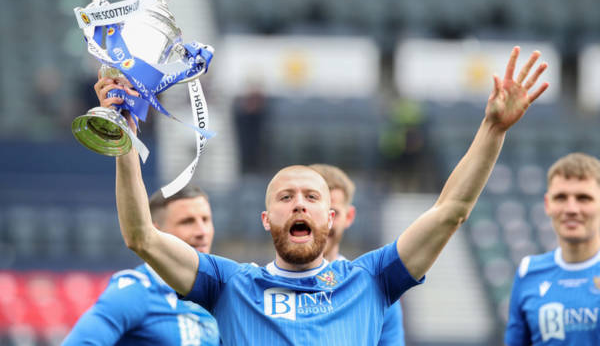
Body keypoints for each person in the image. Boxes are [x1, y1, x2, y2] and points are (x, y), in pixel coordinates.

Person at [95, 46, 547, 345]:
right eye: (285, 196)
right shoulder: (229, 284)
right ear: (265, 219)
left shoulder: (371, 279)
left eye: (311, 197)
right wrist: (124, 138)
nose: (298, 203)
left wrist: (491, 129)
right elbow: (141, 236)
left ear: (332, 217)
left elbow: (451, 211)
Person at [62, 185, 220, 346]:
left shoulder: (216, 295)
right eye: (187, 222)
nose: (202, 231)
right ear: (157, 232)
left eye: (206, 220)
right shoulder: (134, 292)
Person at [505, 153, 600, 345]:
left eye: (583, 198)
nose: (571, 209)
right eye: (561, 198)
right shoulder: (528, 271)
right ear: (548, 204)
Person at [309, 163, 406, 345]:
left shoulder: (374, 291)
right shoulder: (263, 286)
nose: (323, 224)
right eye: (315, 212)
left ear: (349, 216)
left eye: (333, 213)